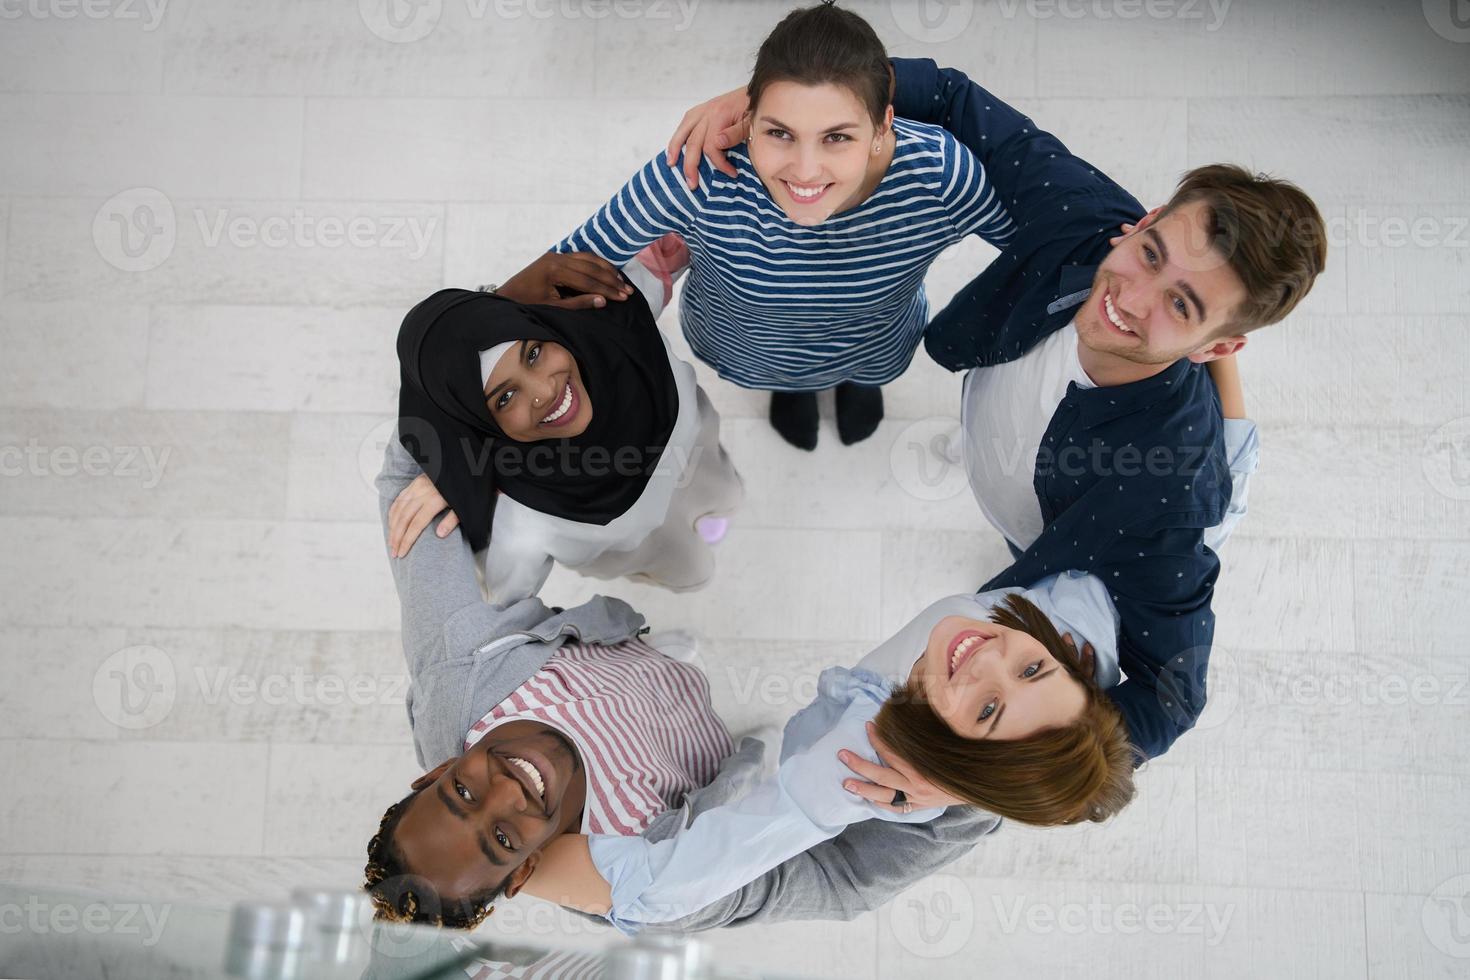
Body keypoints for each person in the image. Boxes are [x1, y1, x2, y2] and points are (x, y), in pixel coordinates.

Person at [664, 58, 1325, 767]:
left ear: (1221, 342)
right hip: (1024, 441)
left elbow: (1172, 696)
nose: (1133, 297)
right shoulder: (1092, 218)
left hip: (1074, 526)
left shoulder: (1165, 496)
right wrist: (776, 100)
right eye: (1152, 253)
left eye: (1182, 305)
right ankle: (830, 377)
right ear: (1145, 221)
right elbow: (950, 96)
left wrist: (990, 777)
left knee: (1069, 540)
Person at [363, 430, 1003, 931]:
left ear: (432, 772)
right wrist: (967, 791)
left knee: (667, 665)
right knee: (737, 749)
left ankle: (660, 660)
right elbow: (842, 884)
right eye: (502, 838)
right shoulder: (644, 875)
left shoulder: (462, 667)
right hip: (695, 760)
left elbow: (404, 475)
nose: (509, 791)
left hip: (621, 668)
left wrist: (454, 450)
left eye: (463, 795)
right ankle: (733, 743)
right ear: (528, 868)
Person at [519, 572, 1135, 934]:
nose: (987, 659)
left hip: (818, 826)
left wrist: (493, 873)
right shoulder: (1001, 624)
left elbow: (671, 885)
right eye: (1032, 667)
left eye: (986, 708)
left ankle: (744, 759)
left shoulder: (865, 767)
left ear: (952, 763)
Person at [545, 3, 1015, 451]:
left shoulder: (938, 174)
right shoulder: (699, 174)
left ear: (881, 127)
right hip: (746, 348)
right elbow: (564, 271)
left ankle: (857, 381)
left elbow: (1041, 248)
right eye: (779, 133)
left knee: (870, 370)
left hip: (876, 344)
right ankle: (791, 391)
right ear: (747, 119)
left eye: (837, 137)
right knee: (781, 380)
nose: (805, 171)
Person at [387, 237, 743, 603]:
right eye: (505, 398)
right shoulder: (521, 521)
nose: (545, 390)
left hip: (704, 466)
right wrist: (456, 470)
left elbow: (682, 227)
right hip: (649, 549)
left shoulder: (610, 315)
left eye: (534, 353)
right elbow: (500, 609)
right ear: (479, 425)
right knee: (692, 569)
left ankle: (719, 508)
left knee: (725, 494)